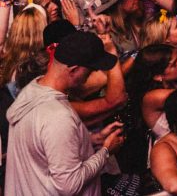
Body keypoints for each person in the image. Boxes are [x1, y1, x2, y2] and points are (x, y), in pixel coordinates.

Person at [4, 30, 126, 196]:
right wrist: (105, 152)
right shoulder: (57, 116)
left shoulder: (31, 91)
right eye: (90, 70)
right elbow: (69, 185)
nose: (93, 74)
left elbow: (42, 146)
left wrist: (89, 140)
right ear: (74, 70)